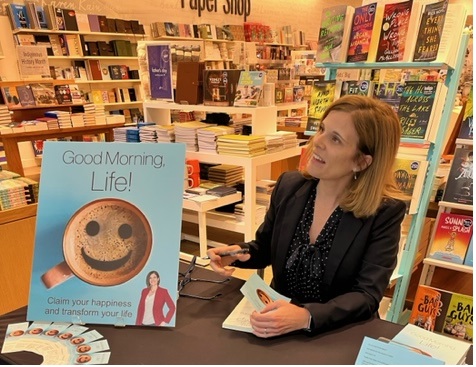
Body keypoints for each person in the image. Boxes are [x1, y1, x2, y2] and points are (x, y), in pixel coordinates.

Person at [207, 95, 406, 338]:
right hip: (274, 321)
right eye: (322, 129)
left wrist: (306, 316)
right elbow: (266, 247)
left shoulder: (383, 213)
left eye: (335, 139)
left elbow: (366, 295)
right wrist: (235, 254)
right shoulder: (290, 186)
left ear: (362, 162)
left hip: (335, 332)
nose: (317, 142)